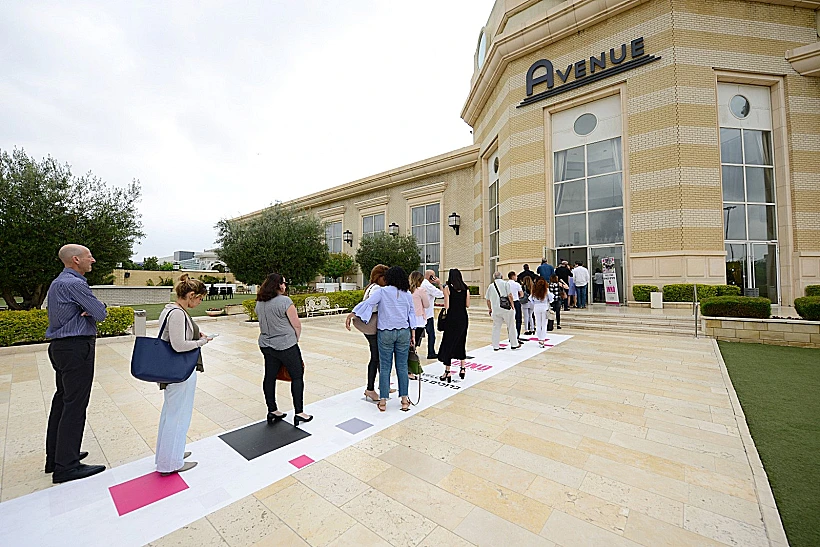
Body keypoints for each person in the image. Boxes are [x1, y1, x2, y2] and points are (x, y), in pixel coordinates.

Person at [45, 244, 108, 484]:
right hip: (76, 348)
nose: (92, 259)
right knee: (75, 405)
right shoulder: (75, 283)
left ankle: (57, 457)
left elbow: (91, 310)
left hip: (61, 348)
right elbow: (100, 313)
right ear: (75, 260)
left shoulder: (58, 282)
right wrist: (96, 308)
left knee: (62, 401)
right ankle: (67, 466)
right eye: (88, 256)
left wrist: (90, 309)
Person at [155, 274, 212, 476]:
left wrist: (197, 335)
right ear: (190, 295)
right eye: (199, 298)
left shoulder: (172, 310)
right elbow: (178, 345)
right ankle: (171, 462)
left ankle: (170, 455)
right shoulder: (177, 313)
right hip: (179, 370)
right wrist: (201, 343)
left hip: (175, 370)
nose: (199, 303)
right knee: (178, 415)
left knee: (172, 413)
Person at [351, 266, 416, 412]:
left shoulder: (382, 291)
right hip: (404, 332)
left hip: (385, 332)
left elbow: (368, 303)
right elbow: (412, 316)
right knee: (402, 367)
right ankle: (404, 400)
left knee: (385, 366)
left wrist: (353, 313)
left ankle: (383, 401)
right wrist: (413, 335)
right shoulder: (407, 295)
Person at [256, 273, 313, 427]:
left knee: (269, 376)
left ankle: (272, 409)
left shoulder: (259, 302)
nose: (285, 286)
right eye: (284, 283)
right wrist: (295, 340)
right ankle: (299, 412)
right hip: (286, 344)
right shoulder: (285, 301)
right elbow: (297, 324)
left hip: (266, 344)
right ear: (278, 285)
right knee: (297, 376)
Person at [345, 264, 389, 402]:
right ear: (379, 277)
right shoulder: (376, 288)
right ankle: (370, 389)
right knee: (376, 357)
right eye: (385, 278)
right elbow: (371, 304)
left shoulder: (371, 286)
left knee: (378, 357)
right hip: (372, 327)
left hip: (370, 327)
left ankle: (382, 386)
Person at [437, 269, 470, 383]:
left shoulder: (448, 288)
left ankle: (447, 371)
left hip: (452, 319)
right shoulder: (466, 288)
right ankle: (462, 368)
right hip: (463, 318)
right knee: (461, 341)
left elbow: (447, 306)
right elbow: (467, 304)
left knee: (449, 343)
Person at [485, 272, 519, 351]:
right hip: (506, 309)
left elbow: (488, 299)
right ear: (502, 276)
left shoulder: (491, 286)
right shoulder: (505, 284)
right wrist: (512, 305)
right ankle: (514, 344)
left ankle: (495, 346)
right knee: (511, 326)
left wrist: (490, 308)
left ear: (494, 278)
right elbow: (510, 295)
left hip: (496, 310)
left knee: (496, 327)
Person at [408, 270, 429, 379]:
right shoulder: (421, 290)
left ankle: (407, 370)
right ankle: (410, 370)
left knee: (408, 346)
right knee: (413, 347)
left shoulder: (406, 290)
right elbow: (427, 304)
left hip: (407, 320)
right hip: (419, 320)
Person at [421, 270, 444, 359]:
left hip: (420, 314)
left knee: (418, 334)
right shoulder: (428, 286)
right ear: (431, 276)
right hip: (427, 315)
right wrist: (439, 284)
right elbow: (441, 294)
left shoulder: (422, 283)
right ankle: (431, 352)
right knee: (431, 335)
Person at [531, 279, 554, 346]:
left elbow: (530, 299)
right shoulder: (546, 290)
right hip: (544, 307)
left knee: (538, 323)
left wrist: (535, 303)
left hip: (536, 307)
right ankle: (542, 339)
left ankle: (539, 338)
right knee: (544, 324)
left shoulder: (535, 291)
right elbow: (551, 299)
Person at [507, 271, 525, 341]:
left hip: (508, 303)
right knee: (518, 319)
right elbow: (521, 294)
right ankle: (517, 335)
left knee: (510, 320)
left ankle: (510, 336)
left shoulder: (506, 284)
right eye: (516, 276)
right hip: (516, 302)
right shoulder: (517, 284)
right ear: (513, 276)